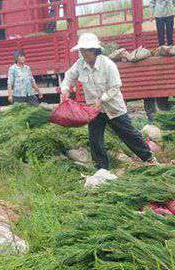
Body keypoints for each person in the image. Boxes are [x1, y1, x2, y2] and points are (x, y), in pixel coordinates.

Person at [60, 33, 157, 169]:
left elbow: (115, 87)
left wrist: (102, 99)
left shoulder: (108, 65)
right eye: (81, 51)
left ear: (93, 50)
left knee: (128, 134)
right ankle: (101, 168)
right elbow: (69, 76)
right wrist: (65, 89)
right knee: (95, 139)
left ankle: (149, 158)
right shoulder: (80, 64)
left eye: (84, 51)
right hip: (95, 110)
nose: (82, 54)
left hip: (113, 108)